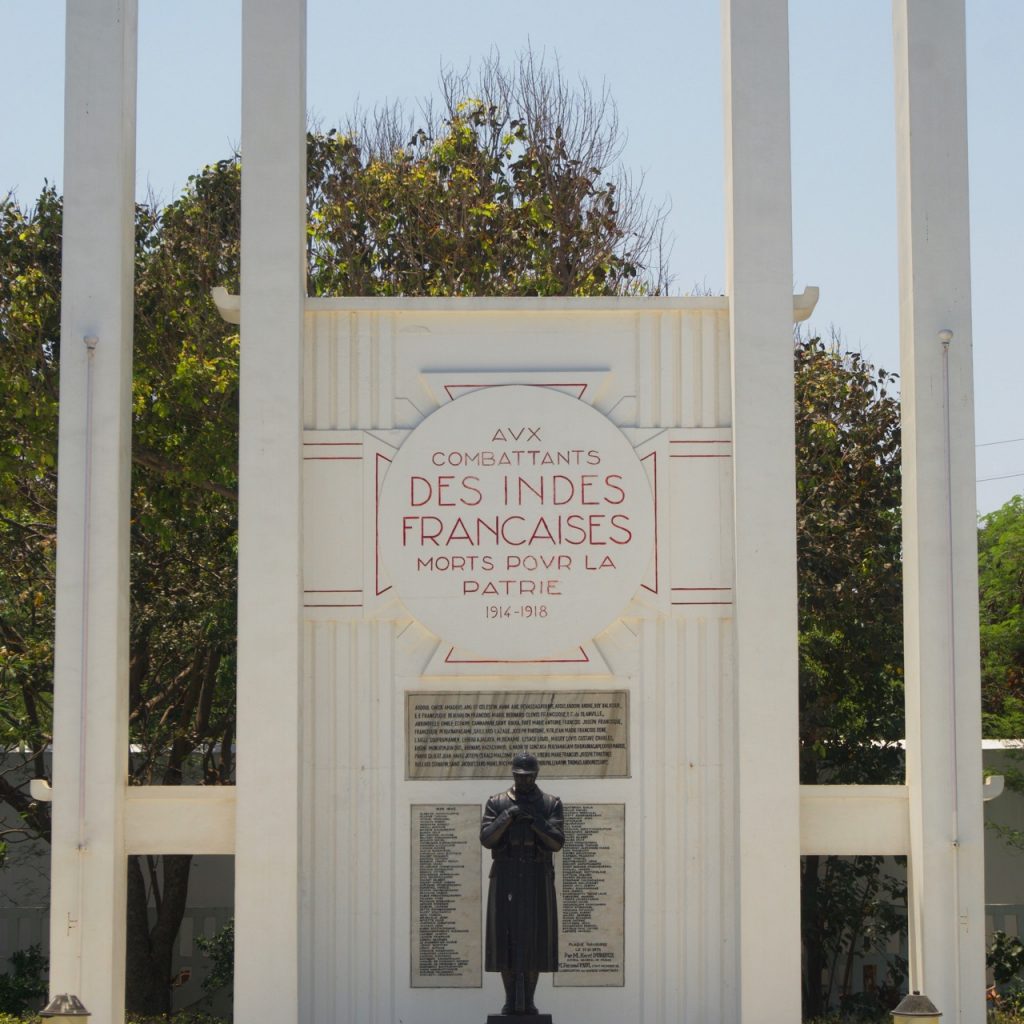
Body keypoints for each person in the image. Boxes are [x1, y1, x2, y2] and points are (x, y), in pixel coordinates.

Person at [480, 753, 564, 1016]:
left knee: (534, 939)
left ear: (536, 775)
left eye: (527, 776)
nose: (523, 780)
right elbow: (486, 839)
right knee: (504, 938)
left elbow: (557, 842)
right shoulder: (497, 802)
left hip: (536, 875)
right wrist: (507, 817)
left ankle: (529, 1000)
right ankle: (509, 1000)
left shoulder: (551, 803)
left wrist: (535, 821)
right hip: (505, 875)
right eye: (518, 775)